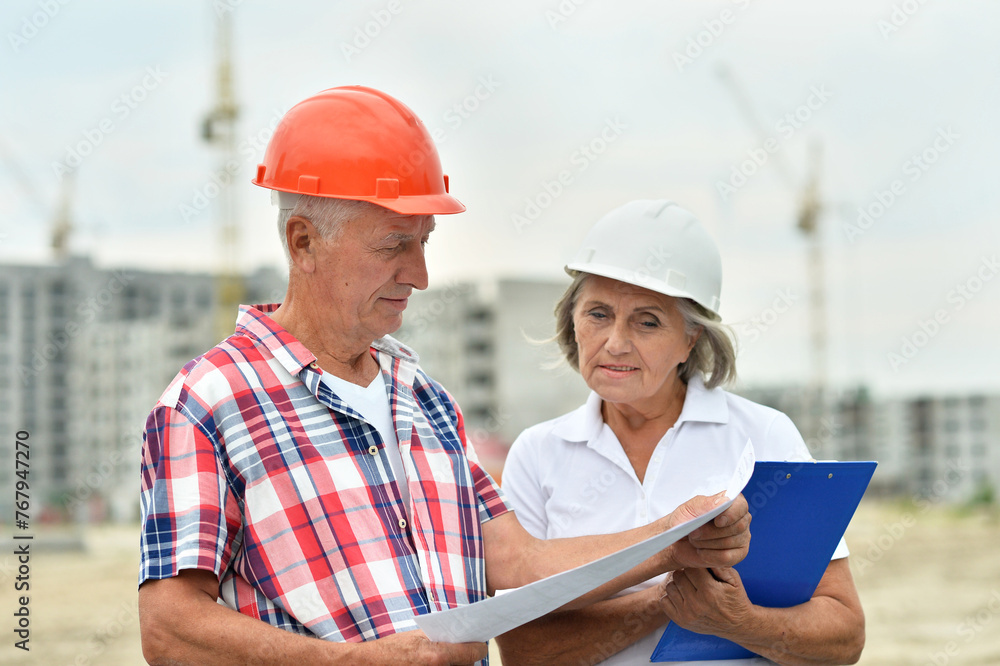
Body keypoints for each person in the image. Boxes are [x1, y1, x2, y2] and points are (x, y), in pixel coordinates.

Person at [137, 89, 752, 666]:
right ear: (304, 243)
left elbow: (519, 562)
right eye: (394, 245)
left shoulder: (423, 398)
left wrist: (672, 541)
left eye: (424, 242)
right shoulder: (207, 403)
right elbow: (168, 627)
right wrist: (354, 662)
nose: (420, 274)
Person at [496, 200, 866, 666]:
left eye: (647, 321)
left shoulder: (761, 436)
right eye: (598, 314)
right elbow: (523, 651)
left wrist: (739, 621)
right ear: (573, 320)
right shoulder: (538, 453)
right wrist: (667, 597)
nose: (615, 343)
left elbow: (844, 637)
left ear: (692, 338)